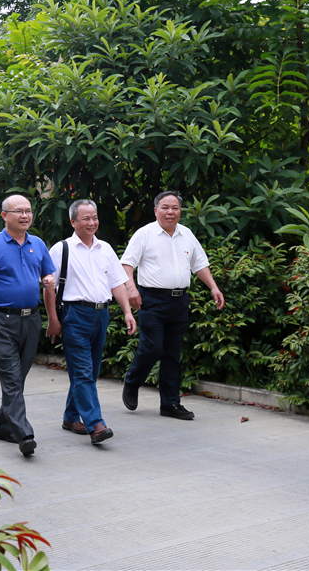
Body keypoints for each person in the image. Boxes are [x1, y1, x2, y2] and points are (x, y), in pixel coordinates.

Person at [120, 191, 225, 420]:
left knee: (172, 353)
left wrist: (214, 287)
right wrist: (131, 289)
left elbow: (200, 264)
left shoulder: (186, 234)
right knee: (152, 348)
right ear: (155, 210)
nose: (170, 212)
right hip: (151, 299)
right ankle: (132, 381)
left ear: (180, 211)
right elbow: (127, 264)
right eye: (165, 207)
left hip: (179, 301)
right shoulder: (144, 234)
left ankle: (170, 403)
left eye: (175, 208)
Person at [0, 194, 56, 457]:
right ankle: (24, 433)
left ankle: (1, 426)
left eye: (28, 211)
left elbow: (47, 275)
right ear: (4, 215)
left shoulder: (37, 244)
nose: (25, 216)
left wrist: (49, 281)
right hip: (3, 320)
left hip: (31, 319)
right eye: (19, 211)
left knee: (18, 377)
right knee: (11, 376)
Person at [45, 199, 137, 445]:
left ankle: (70, 417)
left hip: (101, 315)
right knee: (84, 372)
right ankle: (96, 424)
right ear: (73, 221)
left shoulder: (105, 248)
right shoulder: (61, 249)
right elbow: (48, 288)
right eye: (86, 218)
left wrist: (127, 312)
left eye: (94, 217)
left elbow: (117, 283)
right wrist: (53, 319)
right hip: (74, 315)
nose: (92, 222)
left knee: (90, 371)